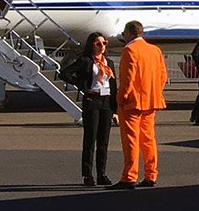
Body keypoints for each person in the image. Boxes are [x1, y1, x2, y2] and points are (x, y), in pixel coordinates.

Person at [112, 21, 167, 189]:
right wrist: (155, 91)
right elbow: (162, 75)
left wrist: (120, 99)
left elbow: (127, 79)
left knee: (131, 140)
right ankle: (151, 174)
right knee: (148, 139)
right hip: (151, 100)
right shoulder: (154, 50)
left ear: (129, 33)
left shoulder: (130, 50)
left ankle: (129, 176)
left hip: (133, 102)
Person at [67, 32, 116, 186]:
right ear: (91, 45)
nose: (102, 47)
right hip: (92, 100)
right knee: (90, 139)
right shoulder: (86, 61)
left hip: (106, 101)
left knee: (104, 140)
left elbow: (114, 86)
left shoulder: (109, 63)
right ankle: (88, 175)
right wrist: (82, 86)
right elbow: (65, 73)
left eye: (104, 43)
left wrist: (115, 110)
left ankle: (102, 173)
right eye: (98, 44)